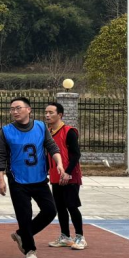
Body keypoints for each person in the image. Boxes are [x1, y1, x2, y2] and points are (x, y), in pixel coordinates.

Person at [0, 97, 63, 258]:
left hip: (39, 178)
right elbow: (0, 157)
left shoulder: (41, 127)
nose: (15, 111)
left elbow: (52, 147)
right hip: (18, 180)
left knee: (50, 211)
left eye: (18, 108)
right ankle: (30, 250)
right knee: (24, 216)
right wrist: (1, 180)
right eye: (12, 109)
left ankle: (22, 234)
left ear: (28, 110)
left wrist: (59, 164)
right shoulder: (6, 131)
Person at [44, 102, 87, 250]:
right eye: (46, 112)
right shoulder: (48, 133)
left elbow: (76, 155)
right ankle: (65, 236)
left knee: (72, 206)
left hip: (70, 175)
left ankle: (80, 237)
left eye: (51, 112)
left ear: (60, 115)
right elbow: (47, 156)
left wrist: (67, 172)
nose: (47, 115)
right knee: (60, 207)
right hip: (56, 175)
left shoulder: (69, 132)